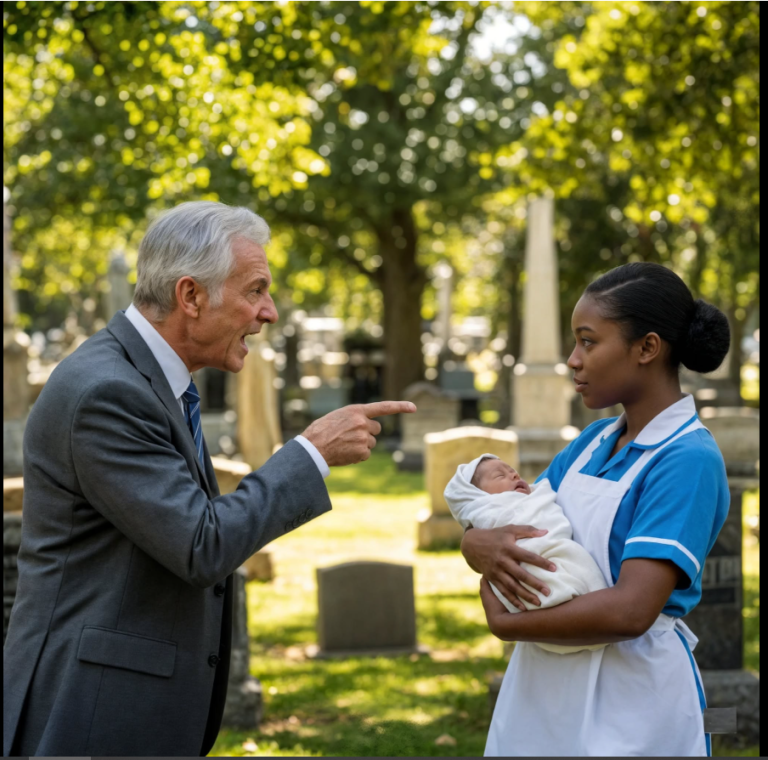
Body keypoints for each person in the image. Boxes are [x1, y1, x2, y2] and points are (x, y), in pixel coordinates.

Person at [2, 201, 416, 757]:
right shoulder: (107, 392)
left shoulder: (146, 382)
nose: (269, 313)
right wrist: (310, 454)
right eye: (255, 291)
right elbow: (199, 543)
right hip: (88, 712)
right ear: (191, 296)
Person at [460, 262, 731, 757]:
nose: (573, 360)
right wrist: (473, 542)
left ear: (647, 348)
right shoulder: (591, 444)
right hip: (543, 685)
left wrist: (508, 625)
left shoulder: (686, 459)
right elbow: (520, 526)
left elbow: (631, 611)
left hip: (632, 700)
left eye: (588, 341)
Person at [444, 454, 607, 654]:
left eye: (514, 472)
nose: (514, 475)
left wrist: (502, 623)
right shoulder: (490, 509)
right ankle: (563, 602)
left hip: (592, 609)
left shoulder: (534, 497)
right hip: (552, 622)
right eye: (499, 475)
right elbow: (482, 521)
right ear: (476, 496)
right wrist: (471, 539)